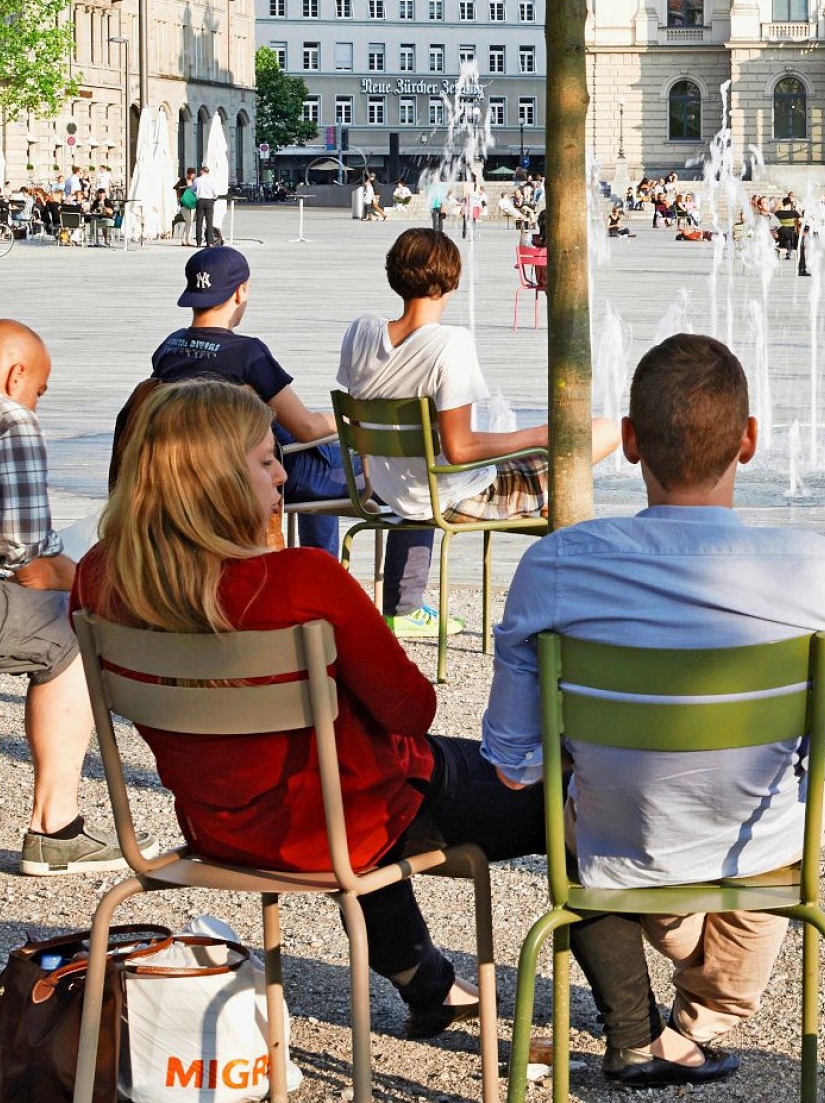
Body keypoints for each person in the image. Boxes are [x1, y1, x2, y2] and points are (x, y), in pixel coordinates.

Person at [483, 335, 825, 1086]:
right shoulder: (823, 572)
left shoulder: (556, 566)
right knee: (818, 814)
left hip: (617, 841)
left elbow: (515, 763)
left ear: (630, 444)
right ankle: (697, 1022)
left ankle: (681, 1012)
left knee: (584, 807)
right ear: (750, 440)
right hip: (761, 849)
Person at [75, 380, 543, 1036]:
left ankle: (429, 984)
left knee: (357, 772)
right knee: (562, 793)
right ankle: (640, 1020)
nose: (282, 471)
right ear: (214, 481)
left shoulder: (100, 576)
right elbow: (413, 711)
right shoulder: (301, 581)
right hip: (343, 824)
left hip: (223, 829)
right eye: (266, 459)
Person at [338, 228, 623, 636]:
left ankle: (402, 608)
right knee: (605, 431)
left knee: (437, 464)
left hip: (385, 486)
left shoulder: (361, 330)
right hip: (449, 496)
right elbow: (460, 448)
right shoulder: (449, 344)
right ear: (452, 279)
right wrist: (539, 435)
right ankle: (572, 603)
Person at [0, 321, 129, 876]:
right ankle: (56, 828)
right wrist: (87, 578)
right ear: (15, 373)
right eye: (39, 392)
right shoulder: (11, 421)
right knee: (75, 632)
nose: (37, 406)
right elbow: (25, 557)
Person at [146, 247, 346, 553]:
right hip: (256, 470)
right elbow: (306, 427)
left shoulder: (168, 349)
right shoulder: (247, 354)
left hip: (194, 469)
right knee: (344, 460)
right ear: (241, 291)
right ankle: (323, 571)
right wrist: (351, 419)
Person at [192, 162, 222, 246]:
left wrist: (197, 193)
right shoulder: (212, 180)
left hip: (200, 201)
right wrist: (214, 198)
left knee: (199, 222)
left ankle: (198, 242)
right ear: (208, 172)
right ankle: (209, 242)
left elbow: (192, 190)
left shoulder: (197, 180)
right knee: (209, 222)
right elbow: (216, 192)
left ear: (202, 171)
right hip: (209, 201)